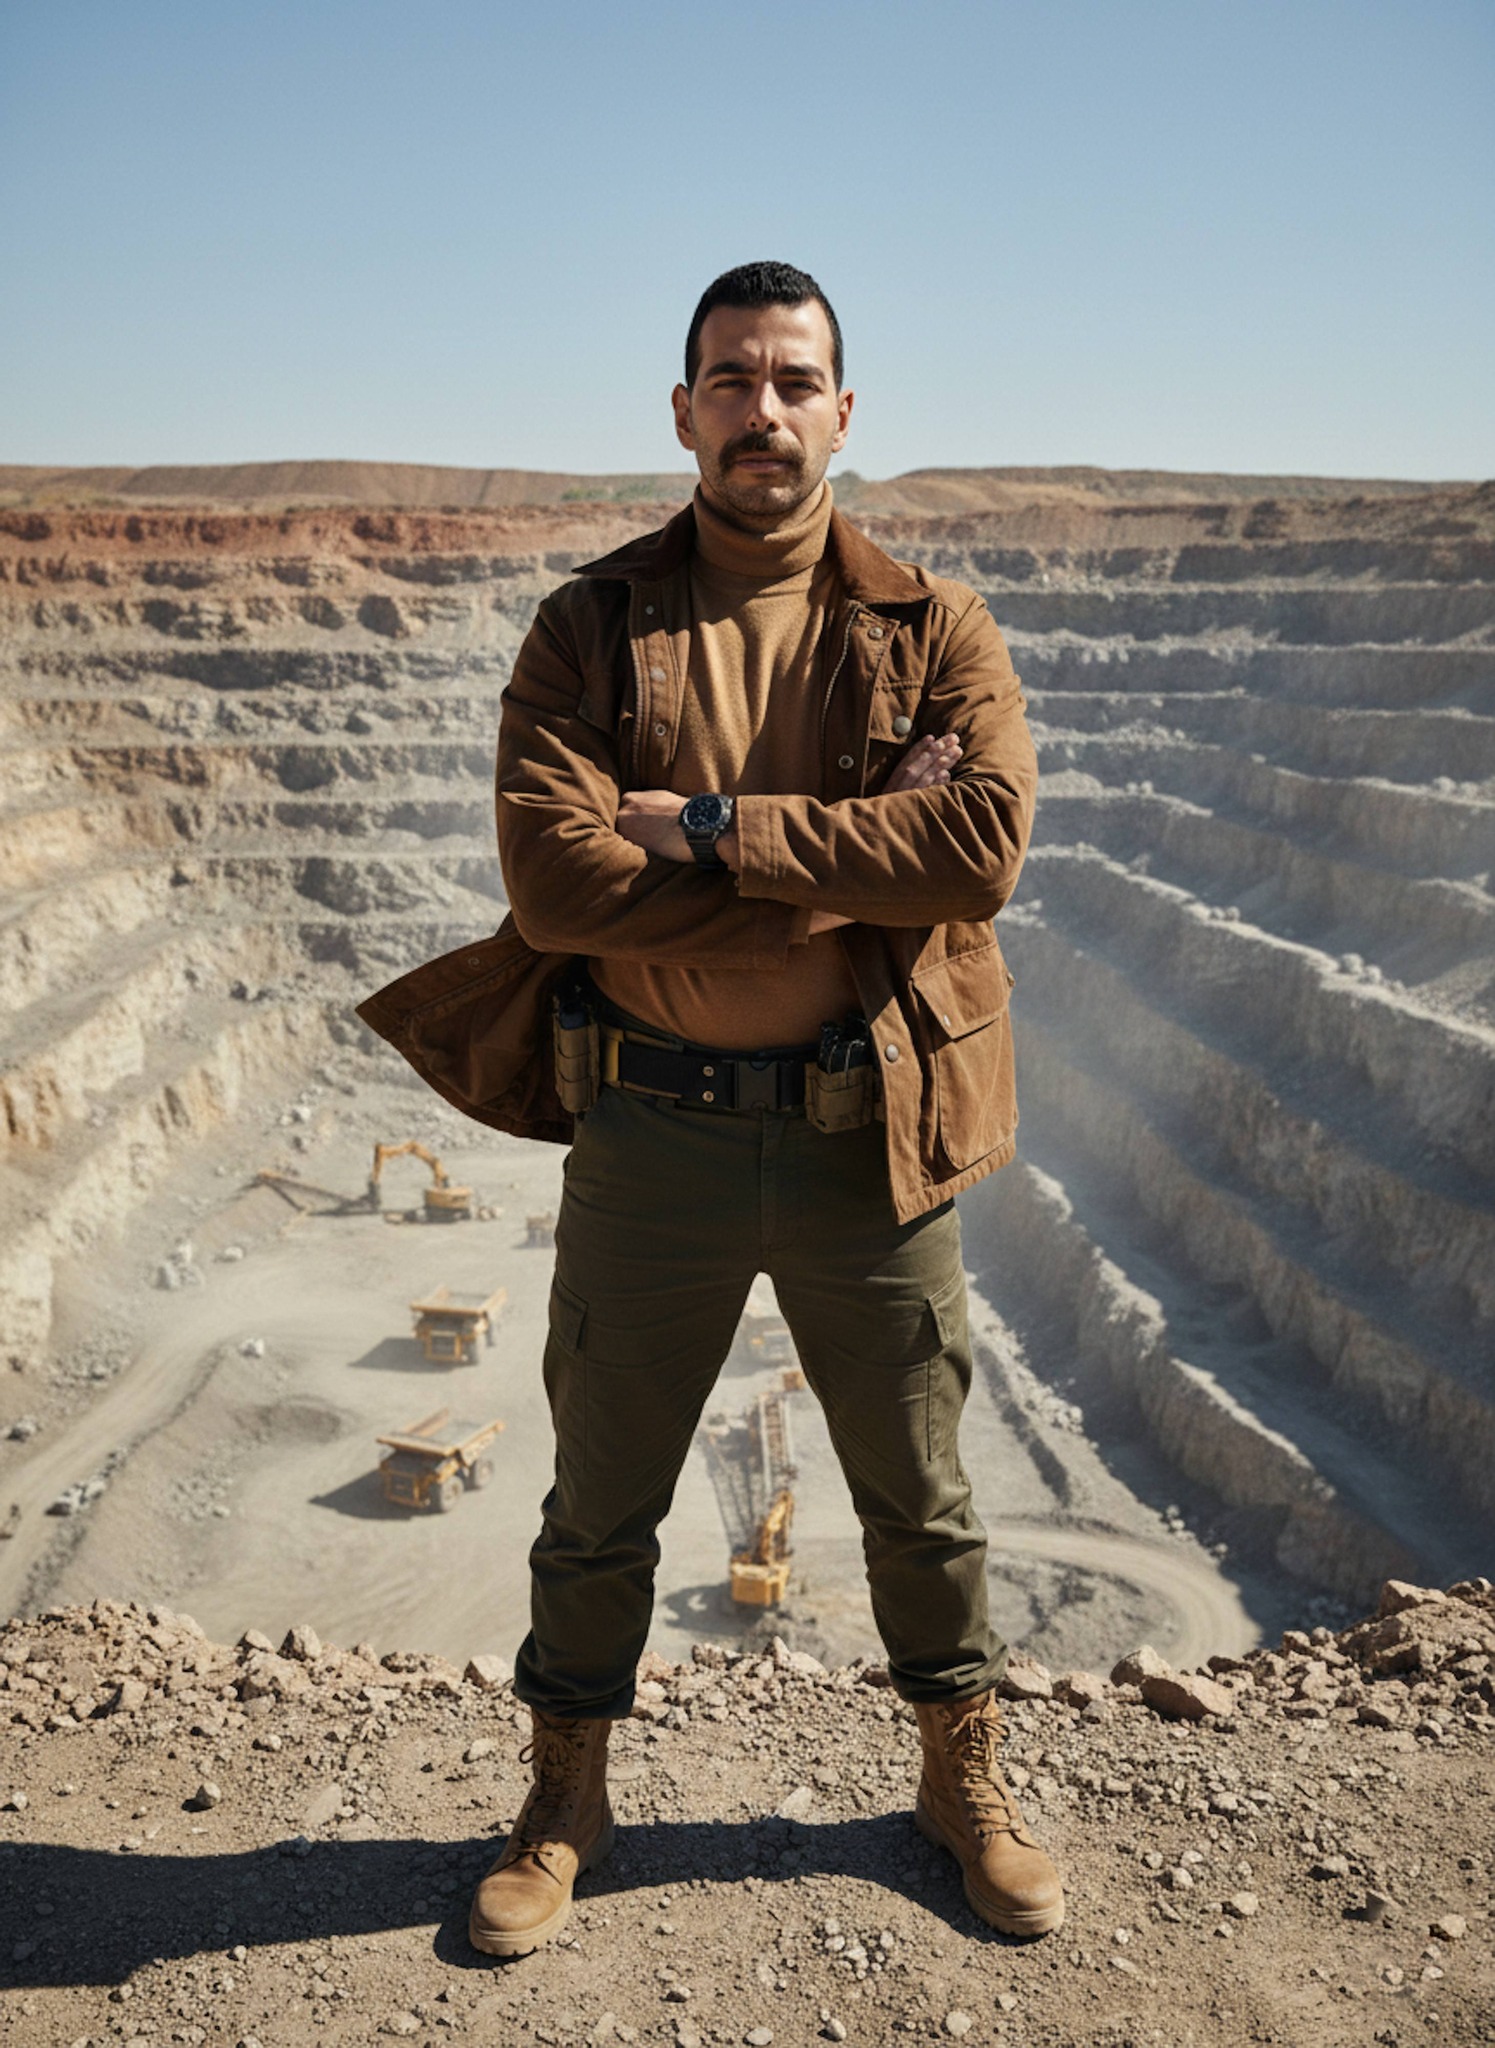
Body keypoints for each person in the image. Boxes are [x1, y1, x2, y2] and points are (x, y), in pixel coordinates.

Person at [358, 259, 1062, 1956]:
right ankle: (565, 1793)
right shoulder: (590, 626)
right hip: (654, 1141)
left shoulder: (932, 627)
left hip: (865, 1136)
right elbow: (553, 889)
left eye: (793, 380)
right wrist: (840, 865)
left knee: (922, 1492)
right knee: (602, 1500)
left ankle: (959, 1776)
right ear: (683, 411)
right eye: (731, 381)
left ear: (843, 411)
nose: (763, 410)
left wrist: (710, 828)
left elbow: (980, 851)